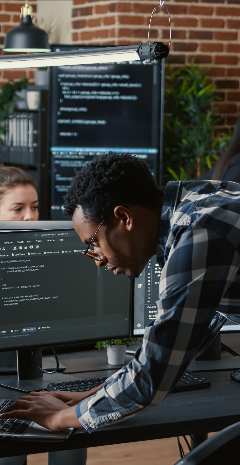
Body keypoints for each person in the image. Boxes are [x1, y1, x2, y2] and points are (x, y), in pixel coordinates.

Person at [1, 152, 240, 435]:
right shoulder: (200, 202)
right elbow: (170, 344)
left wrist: (60, 418)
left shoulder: (199, 231)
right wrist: (93, 395)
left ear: (124, 217)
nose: (97, 259)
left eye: (94, 243)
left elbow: (153, 375)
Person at [0, 166, 87, 465]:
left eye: (34, 208)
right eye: (18, 209)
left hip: (34, 375)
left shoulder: (46, 255)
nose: (29, 217)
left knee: (74, 432)